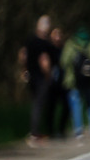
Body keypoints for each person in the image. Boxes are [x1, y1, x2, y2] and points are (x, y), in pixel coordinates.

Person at [21, 16, 62, 147]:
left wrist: (25, 70)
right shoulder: (43, 43)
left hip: (31, 76)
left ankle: (35, 132)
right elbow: (44, 61)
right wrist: (48, 75)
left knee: (35, 103)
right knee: (39, 105)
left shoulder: (30, 40)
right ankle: (34, 133)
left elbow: (22, 55)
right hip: (41, 77)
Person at [64, 24, 90, 141]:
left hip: (74, 81)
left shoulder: (70, 44)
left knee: (76, 105)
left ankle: (78, 131)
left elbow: (64, 61)